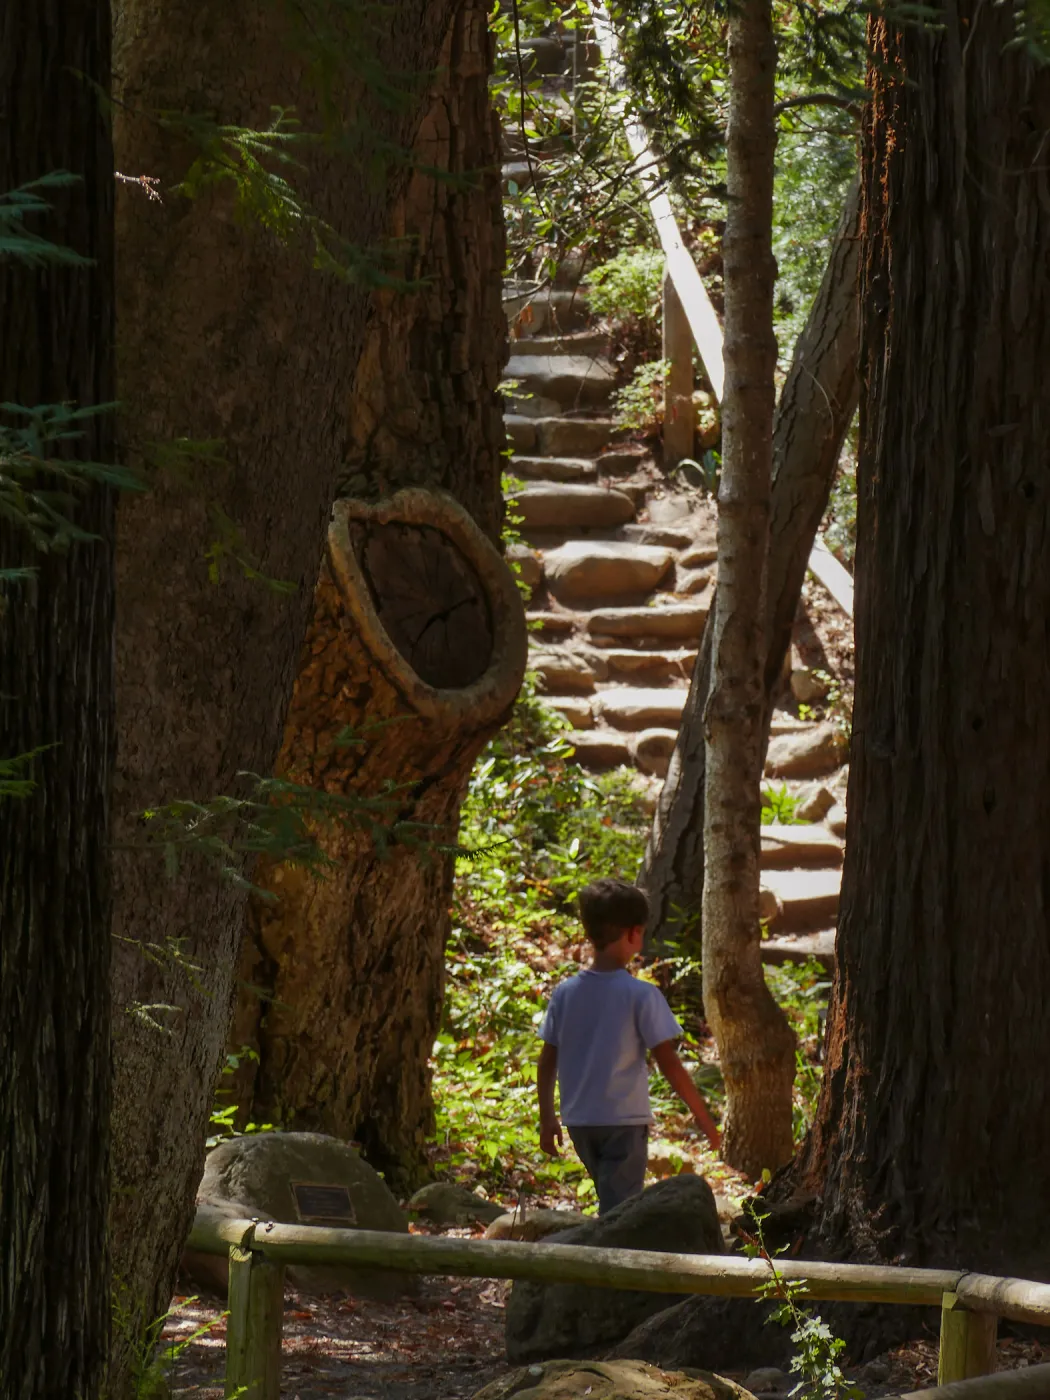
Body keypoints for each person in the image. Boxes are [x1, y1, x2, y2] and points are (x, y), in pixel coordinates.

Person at [536, 877, 720, 1215]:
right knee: (619, 1213)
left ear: (590, 932)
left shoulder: (565, 993)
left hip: (579, 1122)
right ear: (634, 933)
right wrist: (707, 1124)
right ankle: (606, 1263)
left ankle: (600, 1254)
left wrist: (547, 1116)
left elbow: (547, 1060)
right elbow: (670, 1065)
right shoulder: (641, 995)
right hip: (623, 1124)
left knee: (613, 1202)